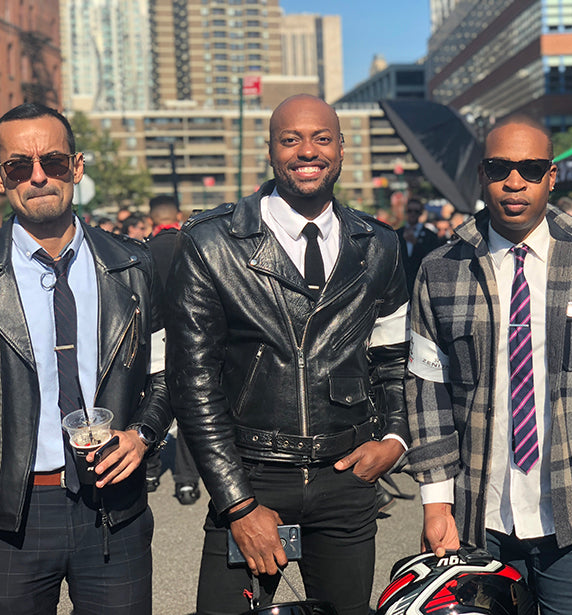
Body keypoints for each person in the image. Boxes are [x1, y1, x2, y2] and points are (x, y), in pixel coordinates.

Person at [165, 94, 410, 615]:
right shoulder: (212, 243)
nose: (307, 151)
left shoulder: (380, 245)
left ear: (341, 148)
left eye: (322, 138)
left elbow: (395, 357)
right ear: (271, 150)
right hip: (253, 474)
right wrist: (237, 501)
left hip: (346, 477)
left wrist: (394, 438)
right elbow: (194, 381)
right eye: (290, 139)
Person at [406, 115, 572, 614]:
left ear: (552, 175)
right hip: (477, 517)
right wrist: (436, 501)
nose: (514, 182)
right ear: (482, 174)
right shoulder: (440, 269)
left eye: (531, 168)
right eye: (500, 168)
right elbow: (426, 387)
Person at [0, 103, 171, 615]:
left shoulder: (132, 264)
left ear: (76, 167)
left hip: (113, 510)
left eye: (52, 162)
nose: (38, 177)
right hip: (5, 518)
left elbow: (168, 373)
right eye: (18, 166)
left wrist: (141, 435)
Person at [145, 194, 202, 505]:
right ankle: (186, 482)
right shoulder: (192, 247)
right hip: (189, 336)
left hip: (153, 338)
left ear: (152, 218)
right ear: (178, 215)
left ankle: (150, 472)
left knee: (151, 404)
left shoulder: (141, 251)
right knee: (188, 408)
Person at [396, 198, 443, 295]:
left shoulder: (430, 235)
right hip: (402, 285)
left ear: (421, 213)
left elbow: (433, 257)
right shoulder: (398, 234)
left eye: (416, 211)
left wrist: (416, 244)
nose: (413, 214)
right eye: (410, 211)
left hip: (421, 282)